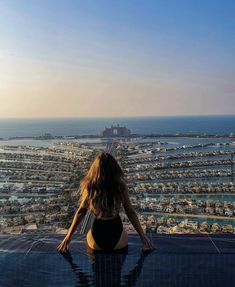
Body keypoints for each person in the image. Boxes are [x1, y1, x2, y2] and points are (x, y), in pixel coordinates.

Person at [56, 151, 155, 253]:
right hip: (118, 240)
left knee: (89, 236)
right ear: (115, 169)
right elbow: (130, 212)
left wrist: (68, 237)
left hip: (95, 241)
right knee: (124, 236)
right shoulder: (121, 187)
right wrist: (143, 236)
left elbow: (81, 212)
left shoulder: (90, 187)